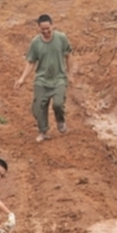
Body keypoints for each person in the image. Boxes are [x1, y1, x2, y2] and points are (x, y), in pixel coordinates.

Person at [14, 14, 72, 143]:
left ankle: (60, 120)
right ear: (39, 28)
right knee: (38, 107)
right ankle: (43, 131)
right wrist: (22, 78)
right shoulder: (36, 42)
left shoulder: (61, 38)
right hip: (41, 80)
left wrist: (70, 73)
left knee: (58, 103)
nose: (46, 31)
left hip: (59, 78)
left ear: (52, 25)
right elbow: (31, 62)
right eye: (43, 29)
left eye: (48, 29)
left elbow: (68, 55)